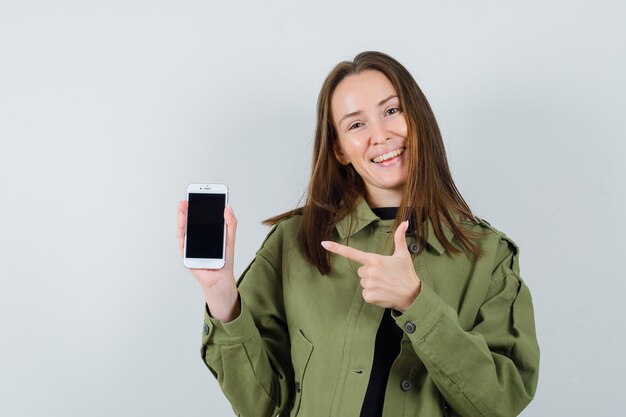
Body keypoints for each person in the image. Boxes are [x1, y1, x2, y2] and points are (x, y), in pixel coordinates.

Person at [177, 51, 540, 417]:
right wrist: (221, 294)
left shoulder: (488, 254)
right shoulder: (294, 243)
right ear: (339, 149)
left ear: (418, 119)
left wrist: (417, 303)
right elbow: (261, 405)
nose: (380, 136)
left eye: (392, 111)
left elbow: (500, 403)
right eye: (355, 125)